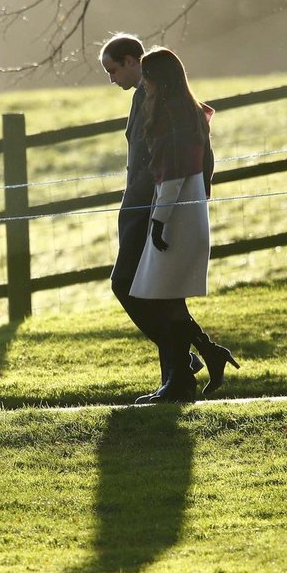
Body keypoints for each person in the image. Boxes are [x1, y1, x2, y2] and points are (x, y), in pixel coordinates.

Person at [100, 34, 226, 403]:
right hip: (146, 204)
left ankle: (187, 361)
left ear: (131, 61)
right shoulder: (155, 95)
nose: (111, 79)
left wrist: (183, 204)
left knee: (129, 285)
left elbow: (175, 159)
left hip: (149, 206)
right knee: (162, 294)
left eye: (112, 69)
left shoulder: (159, 97)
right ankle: (185, 369)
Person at [128, 46, 239, 403]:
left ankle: (182, 377)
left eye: (146, 77)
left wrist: (158, 222)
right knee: (168, 298)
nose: (143, 84)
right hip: (188, 210)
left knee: (162, 296)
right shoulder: (189, 113)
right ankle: (206, 355)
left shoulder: (171, 119)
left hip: (176, 215)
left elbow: (171, 178)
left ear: (157, 78)